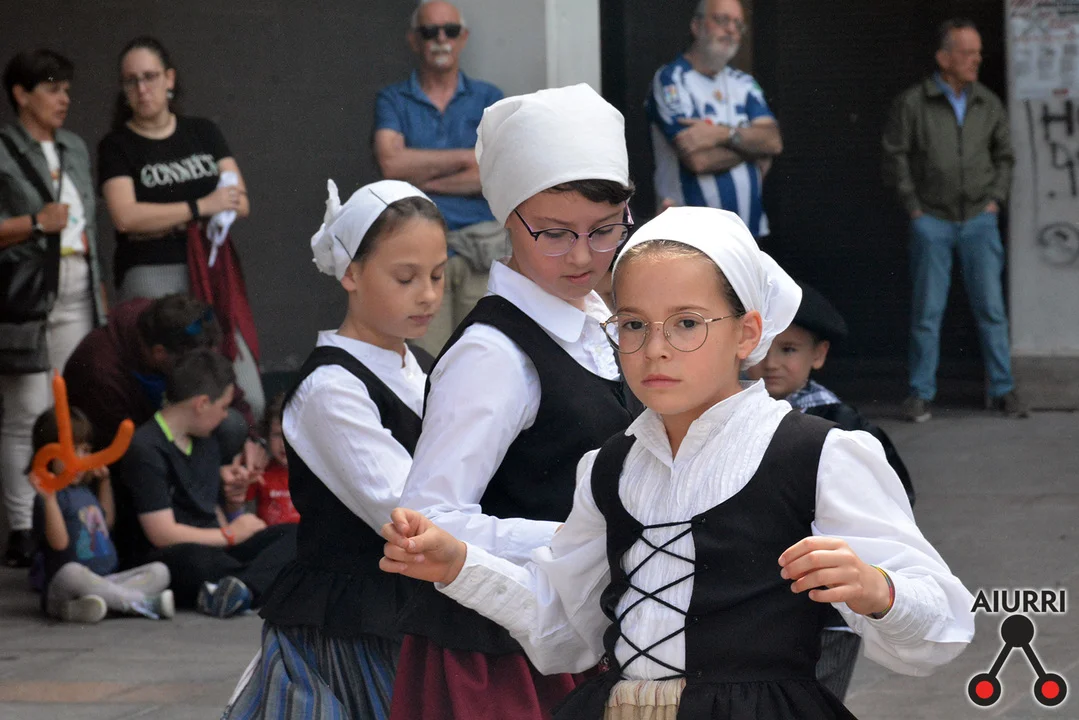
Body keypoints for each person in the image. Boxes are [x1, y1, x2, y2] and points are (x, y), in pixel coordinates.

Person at [382, 207, 976, 720]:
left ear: (747, 333)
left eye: (687, 323)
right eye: (633, 325)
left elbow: (943, 626)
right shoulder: (609, 469)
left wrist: (878, 590)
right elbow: (566, 631)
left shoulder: (818, 454)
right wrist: (459, 565)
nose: (656, 348)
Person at [391, 84, 637, 720]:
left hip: (580, 630)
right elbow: (428, 518)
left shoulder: (598, 323)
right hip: (498, 658)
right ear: (507, 217)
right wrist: (578, 536)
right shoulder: (493, 354)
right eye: (554, 233)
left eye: (604, 230)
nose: (581, 255)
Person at [224, 179, 447, 718]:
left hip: (415, 609)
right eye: (406, 277)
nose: (428, 294)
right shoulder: (330, 389)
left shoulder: (420, 367)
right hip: (351, 630)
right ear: (351, 273)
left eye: (438, 275)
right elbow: (406, 510)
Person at [745, 280, 916, 700]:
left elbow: (892, 502)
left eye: (789, 349)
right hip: (753, 598)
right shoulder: (728, 417)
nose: (772, 363)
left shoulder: (843, 427)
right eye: (763, 349)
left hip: (828, 605)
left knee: (815, 699)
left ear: (818, 355)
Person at [98, 36, 263, 419]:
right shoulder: (117, 145)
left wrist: (167, 216)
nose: (142, 88)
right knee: (176, 387)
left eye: (150, 77)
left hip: (210, 270)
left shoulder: (202, 132)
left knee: (246, 394)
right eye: (131, 81)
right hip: (151, 272)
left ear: (169, 79)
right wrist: (200, 206)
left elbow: (240, 200)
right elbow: (126, 217)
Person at [883, 18, 1025, 423]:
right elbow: (895, 156)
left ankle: (1004, 389)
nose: (976, 59)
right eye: (967, 53)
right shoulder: (913, 103)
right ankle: (920, 394)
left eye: (978, 52)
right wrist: (914, 208)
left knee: (991, 309)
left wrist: (995, 200)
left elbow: (1005, 157)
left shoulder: (987, 103)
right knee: (927, 313)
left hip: (979, 219)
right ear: (943, 58)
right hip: (932, 220)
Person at [1, 49, 108, 568]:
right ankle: (23, 527)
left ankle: (68, 519)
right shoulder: (3, 150)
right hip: (26, 292)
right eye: (51, 88)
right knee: (25, 410)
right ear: (21, 94)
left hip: (78, 284)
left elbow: (87, 226)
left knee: (69, 405)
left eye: (66, 88)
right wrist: (36, 224)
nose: (63, 98)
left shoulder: (74, 147)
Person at [119, 348, 295, 617]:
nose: (225, 415)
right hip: (173, 554)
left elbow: (209, 506)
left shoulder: (205, 435)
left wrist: (232, 501)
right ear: (201, 403)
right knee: (196, 561)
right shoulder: (147, 448)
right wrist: (230, 534)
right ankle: (255, 584)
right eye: (223, 407)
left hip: (218, 547)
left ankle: (241, 589)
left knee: (294, 534)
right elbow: (162, 533)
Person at [374, 0, 506, 355]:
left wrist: (422, 181)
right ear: (414, 40)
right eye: (430, 31)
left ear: (464, 37)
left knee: (482, 356)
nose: (441, 39)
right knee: (425, 362)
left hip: (481, 249)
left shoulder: (489, 97)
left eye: (450, 30)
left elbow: (491, 173)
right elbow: (391, 164)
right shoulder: (393, 98)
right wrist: (466, 158)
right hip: (417, 249)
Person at [646, 0, 782, 238]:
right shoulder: (672, 79)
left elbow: (773, 141)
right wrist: (752, 150)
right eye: (722, 20)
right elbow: (698, 159)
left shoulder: (744, 83)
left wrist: (721, 134)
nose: (730, 29)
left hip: (747, 234)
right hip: (691, 237)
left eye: (738, 25)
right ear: (696, 26)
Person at [28, 406, 174, 623]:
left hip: (105, 580)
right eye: (71, 451)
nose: (80, 459)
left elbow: (107, 523)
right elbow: (59, 543)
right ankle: (140, 603)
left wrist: (105, 483)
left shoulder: (85, 491)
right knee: (72, 572)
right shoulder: (50, 497)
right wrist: (49, 500)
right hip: (65, 587)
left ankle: (101, 604)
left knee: (160, 571)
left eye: (85, 451)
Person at [242, 393, 299, 527]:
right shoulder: (260, 472)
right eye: (277, 435)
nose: (283, 444)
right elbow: (239, 504)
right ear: (267, 435)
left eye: (289, 435)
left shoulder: (312, 474)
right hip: (271, 537)